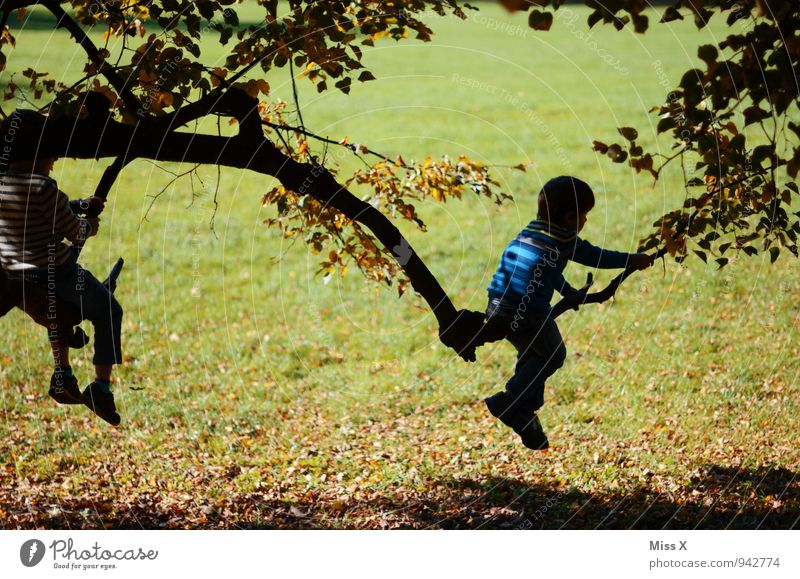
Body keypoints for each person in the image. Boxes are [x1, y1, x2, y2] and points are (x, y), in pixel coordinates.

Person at [483, 176, 654, 450]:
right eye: (584, 215)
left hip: (496, 305)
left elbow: (546, 270)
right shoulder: (564, 238)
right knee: (553, 354)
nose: (585, 221)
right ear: (569, 217)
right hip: (528, 312)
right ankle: (511, 400)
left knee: (532, 353)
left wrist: (566, 291)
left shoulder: (531, 230)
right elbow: (596, 256)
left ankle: (524, 412)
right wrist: (631, 259)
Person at [0, 145, 123, 426]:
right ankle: (101, 389)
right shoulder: (43, 187)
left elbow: (50, 210)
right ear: (32, 155)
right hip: (56, 270)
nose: (54, 160)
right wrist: (89, 225)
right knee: (109, 310)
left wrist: (81, 205)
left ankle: (63, 374)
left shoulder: (4, 181)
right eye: (49, 153)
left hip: (19, 274)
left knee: (60, 312)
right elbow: (74, 230)